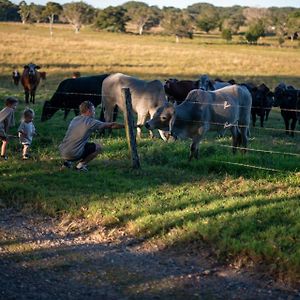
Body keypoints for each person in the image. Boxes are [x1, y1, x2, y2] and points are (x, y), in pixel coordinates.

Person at [59, 101, 124, 171]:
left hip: (62, 151)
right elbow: (111, 125)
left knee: (77, 143)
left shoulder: (75, 119)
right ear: (89, 111)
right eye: (93, 110)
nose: (94, 113)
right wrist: (125, 126)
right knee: (98, 147)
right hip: (73, 154)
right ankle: (80, 166)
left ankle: (67, 163)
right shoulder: (91, 122)